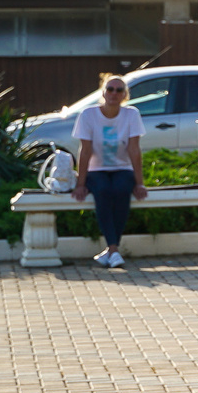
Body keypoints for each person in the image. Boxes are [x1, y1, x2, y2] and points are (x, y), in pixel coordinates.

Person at [71, 74, 151, 270]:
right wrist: (80, 184)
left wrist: (139, 183)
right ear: (103, 92)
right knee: (104, 191)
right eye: (110, 89)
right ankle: (114, 250)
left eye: (119, 90)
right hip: (96, 170)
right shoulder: (88, 115)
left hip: (122, 168)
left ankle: (111, 250)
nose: (114, 93)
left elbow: (134, 150)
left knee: (122, 189)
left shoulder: (131, 114)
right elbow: (85, 151)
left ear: (125, 95)